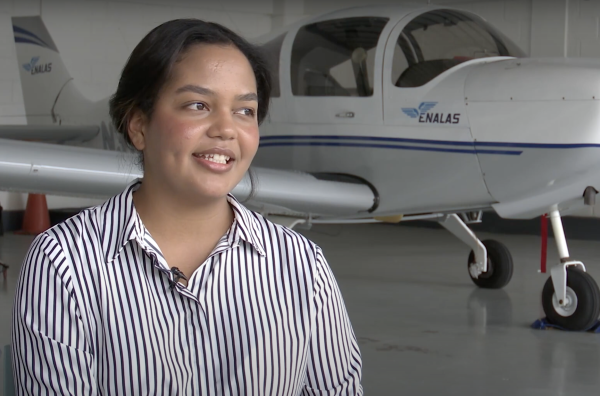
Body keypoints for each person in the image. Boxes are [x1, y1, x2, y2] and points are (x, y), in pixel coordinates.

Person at [12, 19, 363, 395]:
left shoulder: (302, 265)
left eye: (245, 110)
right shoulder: (63, 262)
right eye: (198, 105)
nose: (226, 129)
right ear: (139, 126)